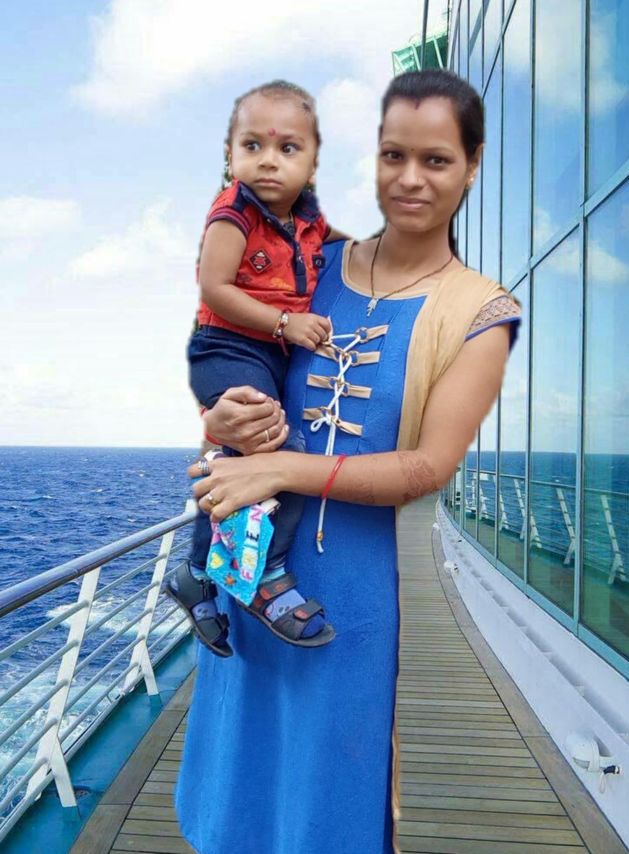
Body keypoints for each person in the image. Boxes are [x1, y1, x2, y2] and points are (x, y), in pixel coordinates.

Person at [175, 69, 522, 854]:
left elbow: (428, 468)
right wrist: (218, 418)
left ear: (473, 166)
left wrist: (284, 471)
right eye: (394, 154)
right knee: (237, 792)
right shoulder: (310, 262)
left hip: (348, 599)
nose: (410, 178)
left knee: (330, 803)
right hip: (247, 572)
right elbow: (233, 361)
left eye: (436, 159)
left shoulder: (480, 311)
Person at [164, 80, 345, 656]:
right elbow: (215, 288)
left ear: (311, 163)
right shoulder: (234, 212)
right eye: (253, 146)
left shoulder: (310, 220)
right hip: (227, 347)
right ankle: (266, 577)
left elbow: (344, 247)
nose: (269, 160)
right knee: (276, 453)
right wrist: (285, 323)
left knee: (236, 460)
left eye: (288, 148)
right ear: (231, 156)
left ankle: (196, 574)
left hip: (267, 355)